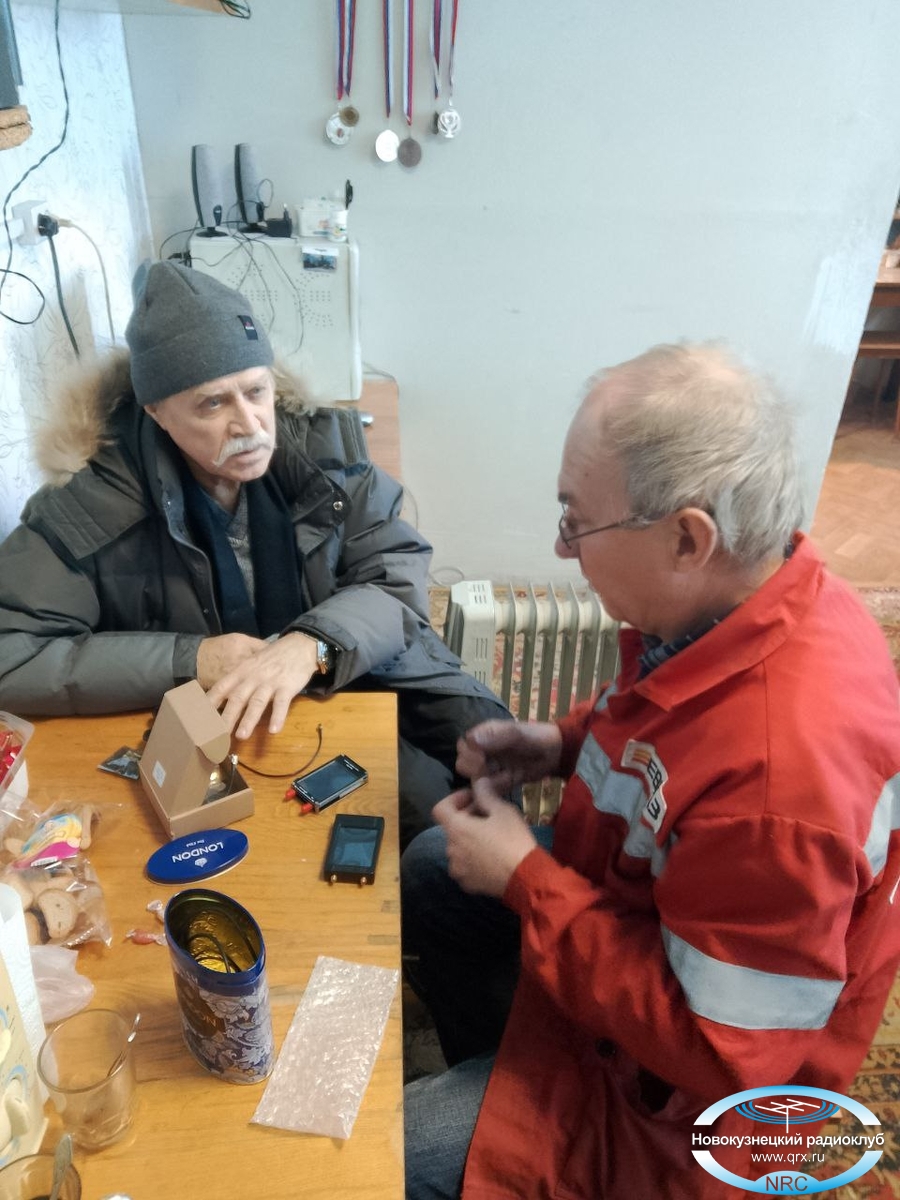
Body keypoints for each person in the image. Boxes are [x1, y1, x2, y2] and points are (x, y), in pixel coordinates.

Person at [402, 342, 900, 1199]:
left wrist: (528, 882)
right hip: (658, 936)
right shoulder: (757, 596)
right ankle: (507, 1069)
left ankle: (518, 1113)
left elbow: (727, 1060)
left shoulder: (783, 788)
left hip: (692, 1117)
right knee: (432, 871)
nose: (562, 546)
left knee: (395, 1153)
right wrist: (560, 742)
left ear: (687, 539)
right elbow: (666, 720)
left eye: (576, 519)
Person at [0, 260, 510, 847]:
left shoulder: (321, 452)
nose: (249, 424)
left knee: (488, 745)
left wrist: (311, 644)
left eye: (256, 391)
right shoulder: (91, 504)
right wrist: (190, 659)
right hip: (222, 705)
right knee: (422, 812)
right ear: (156, 412)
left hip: (343, 661)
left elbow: (394, 578)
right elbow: (13, 654)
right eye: (212, 404)